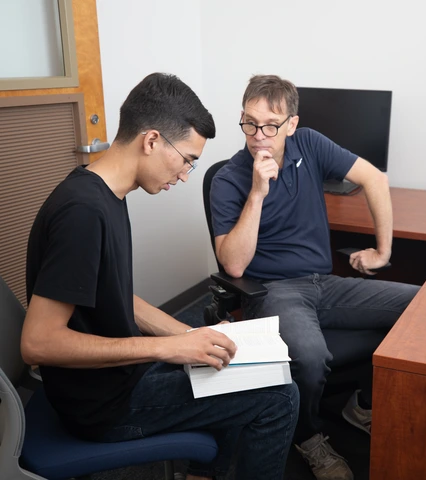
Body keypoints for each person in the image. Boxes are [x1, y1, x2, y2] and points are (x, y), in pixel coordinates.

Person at [21, 72, 299, 480]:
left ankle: (204, 472)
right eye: (186, 159)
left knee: (225, 361)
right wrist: (164, 350)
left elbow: (114, 296)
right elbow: (38, 343)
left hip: (117, 379)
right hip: (102, 406)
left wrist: (186, 338)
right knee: (280, 396)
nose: (186, 175)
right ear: (151, 141)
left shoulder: (105, 193)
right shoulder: (84, 213)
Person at [211, 74, 420, 480]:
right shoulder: (229, 179)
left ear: (292, 124)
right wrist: (258, 191)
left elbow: (374, 178)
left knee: (418, 307)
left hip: (324, 284)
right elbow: (234, 266)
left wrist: (384, 251)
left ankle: (360, 404)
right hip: (271, 291)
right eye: (249, 123)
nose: (258, 136)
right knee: (310, 357)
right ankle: (307, 435)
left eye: (271, 126)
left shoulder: (309, 143)